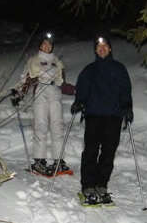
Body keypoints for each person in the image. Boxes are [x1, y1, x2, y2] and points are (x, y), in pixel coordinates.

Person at [70, 35, 133, 204]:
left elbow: (125, 90)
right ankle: (88, 186)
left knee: (108, 152)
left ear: (110, 49)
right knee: (91, 150)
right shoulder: (89, 70)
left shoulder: (119, 69)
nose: (102, 48)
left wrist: (127, 107)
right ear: (95, 50)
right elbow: (82, 90)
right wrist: (79, 102)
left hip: (114, 116)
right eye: (99, 47)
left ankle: (101, 184)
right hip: (94, 115)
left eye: (105, 46)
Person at [12, 31, 72, 176]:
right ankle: (39, 161)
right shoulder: (33, 60)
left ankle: (59, 161)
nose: (46, 46)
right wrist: (18, 93)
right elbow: (26, 79)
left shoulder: (58, 62)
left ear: (52, 46)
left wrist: (77, 91)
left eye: (49, 44)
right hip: (40, 92)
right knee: (41, 125)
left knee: (57, 126)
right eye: (44, 44)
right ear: (40, 45)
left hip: (54, 92)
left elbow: (62, 83)